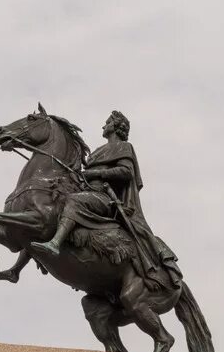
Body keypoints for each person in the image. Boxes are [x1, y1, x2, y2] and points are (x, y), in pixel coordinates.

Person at [29, 110, 181, 291]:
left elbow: (126, 172)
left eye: (107, 123)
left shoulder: (124, 147)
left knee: (74, 201)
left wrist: (96, 173)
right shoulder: (98, 151)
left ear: (116, 127)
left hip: (104, 197)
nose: (104, 126)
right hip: (89, 191)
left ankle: (55, 243)